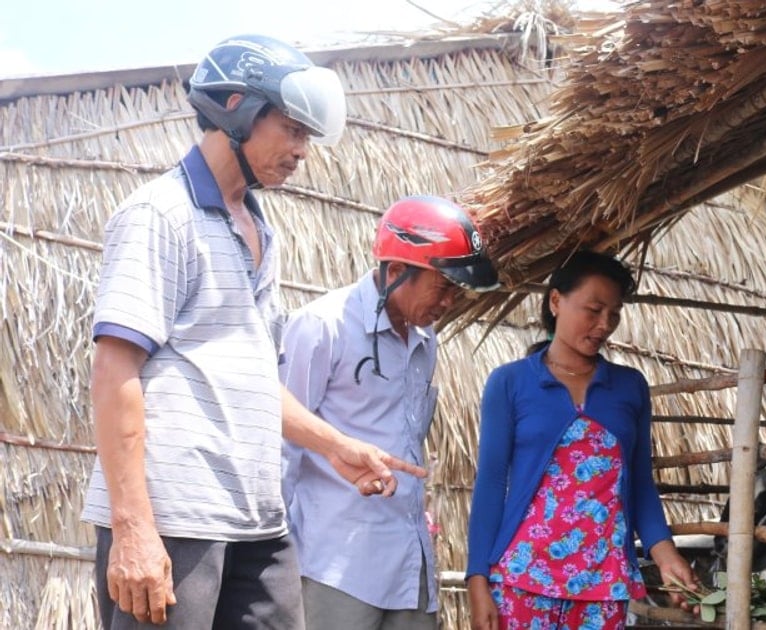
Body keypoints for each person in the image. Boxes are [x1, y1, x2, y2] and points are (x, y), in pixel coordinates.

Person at [83, 34, 424, 629]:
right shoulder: (160, 215)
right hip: (176, 518)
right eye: (293, 129)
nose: (303, 150)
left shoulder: (265, 232)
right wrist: (135, 528)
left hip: (258, 520)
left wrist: (337, 447)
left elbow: (256, 379)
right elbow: (115, 371)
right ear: (238, 109)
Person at [280, 196, 500, 629]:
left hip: (407, 562)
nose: (449, 302)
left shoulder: (424, 340)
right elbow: (281, 441)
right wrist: (275, 558)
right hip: (333, 565)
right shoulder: (324, 326)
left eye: (457, 291)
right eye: (443, 287)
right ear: (396, 272)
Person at [466, 251, 698, 630]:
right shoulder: (510, 383)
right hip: (521, 579)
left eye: (614, 313)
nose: (604, 324)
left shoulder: (629, 387)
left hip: (603, 587)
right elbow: (491, 484)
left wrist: (666, 555)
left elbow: (639, 484)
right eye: (593, 310)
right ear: (555, 301)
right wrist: (477, 578)